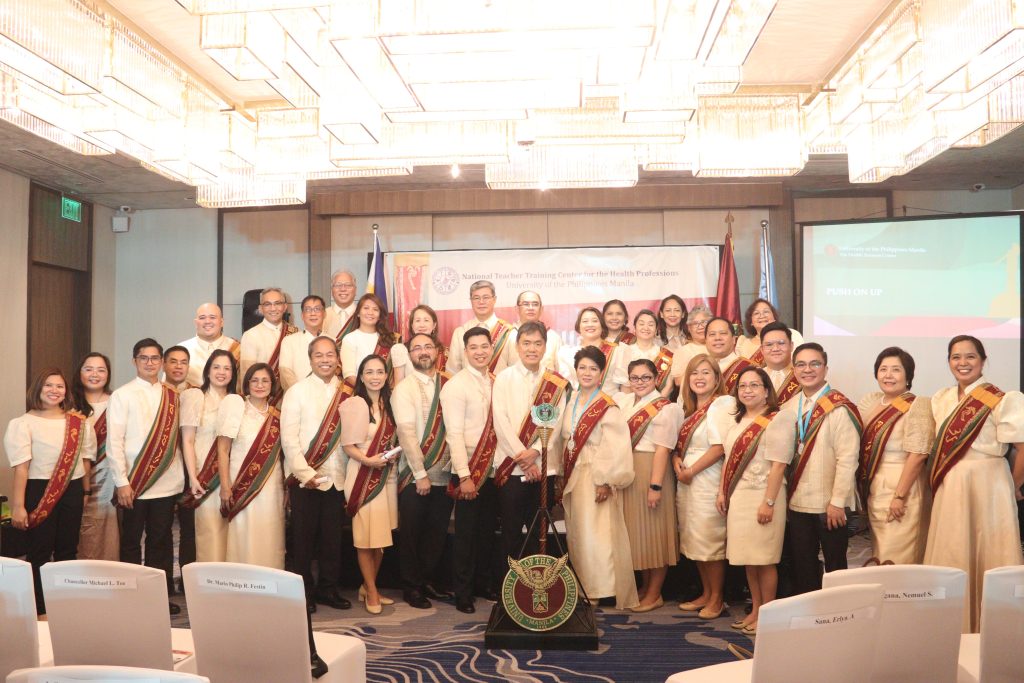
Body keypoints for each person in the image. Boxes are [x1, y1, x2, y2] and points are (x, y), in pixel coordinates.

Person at [924, 335, 1024, 632]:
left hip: (990, 483)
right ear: (949, 362)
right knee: (952, 549)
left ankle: (996, 628)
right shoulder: (940, 398)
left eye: (970, 356)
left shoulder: (1003, 399)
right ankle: (951, 626)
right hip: (951, 484)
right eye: (956, 357)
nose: (963, 363)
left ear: (982, 360)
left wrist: (1012, 486)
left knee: (991, 553)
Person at [5, 368, 96, 614]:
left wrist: (85, 493)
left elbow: (84, 462)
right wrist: (18, 506)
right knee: (40, 550)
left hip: (73, 489)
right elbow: (21, 469)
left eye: (59, 386)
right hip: (38, 490)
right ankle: (40, 607)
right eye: (48, 385)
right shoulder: (23, 423)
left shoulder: (78, 423)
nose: (54, 390)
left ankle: (66, 604)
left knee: (68, 548)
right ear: (38, 389)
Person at [716, 367, 797, 635]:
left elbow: (779, 465)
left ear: (766, 390)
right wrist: (722, 491)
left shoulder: (778, 419)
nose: (747, 390)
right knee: (749, 559)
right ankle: (755, 610)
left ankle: (767, 614)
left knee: (764, 559)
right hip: (740, 496)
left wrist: (769, 503)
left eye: (754, 385)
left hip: (764, 495)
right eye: (742, 386)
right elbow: (729, 459)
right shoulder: (737, 420)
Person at [107, 339, 185, 614]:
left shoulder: (173, 396)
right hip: (134, 483)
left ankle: (158, 598)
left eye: (155, 358)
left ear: (162, 362)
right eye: (144, 358)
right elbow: (114, 442)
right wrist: (122, 482)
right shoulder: (122, 395)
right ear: (134, 361)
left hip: (166, 482)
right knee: (131, 542)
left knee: (160, 541)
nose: (150, 363)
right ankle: (131, 598)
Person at [559, 346, 638, 609]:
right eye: (582, 367)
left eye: (593, 368)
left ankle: (599, 588)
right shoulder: (570, 400)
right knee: (578, 533)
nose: (587, 373)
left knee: (597, 534)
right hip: (574, 474)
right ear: (575, 370)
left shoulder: (607, 405)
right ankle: (583, 585)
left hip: (595, 476)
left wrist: (604, 480)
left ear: (601, 373)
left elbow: (614, 445)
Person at [782, 342, 861, 595]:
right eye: (801, 364)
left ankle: (839, 612)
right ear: (794, 370)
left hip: (830, 504)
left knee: (835, 566)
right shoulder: (788, 407)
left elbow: (848, 459)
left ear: (825, 368)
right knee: (803, 566)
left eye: (815, 364)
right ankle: (809, 611)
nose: (808, 370)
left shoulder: (839, 407)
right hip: (797, 502)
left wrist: (837, 502)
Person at [281, 335, 352, 612]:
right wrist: (304, 473)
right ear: (310, 360)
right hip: (305, 480)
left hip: (338, 478)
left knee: (332, 541)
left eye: (330, 354)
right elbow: (289, 439)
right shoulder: (296, 392)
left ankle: (328, 590)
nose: (325, 360)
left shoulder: (347, 393)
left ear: (338, 359)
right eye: (319, 355)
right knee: (303, 541)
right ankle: (304, 594)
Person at [492, 321, 569, 565]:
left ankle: (537, 583)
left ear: (545, 347)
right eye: (526, 343)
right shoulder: (503, 378)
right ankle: (509, 585)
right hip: (511, 468)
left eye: (537, 343)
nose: (532, 349)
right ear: (517, 346)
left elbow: (555, 424)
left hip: (544, 468)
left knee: (539, 533)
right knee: (511, 531)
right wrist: (523, 457)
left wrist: (535, 452)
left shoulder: (555, 382)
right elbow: (500, 422)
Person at [391, 333, 455, 608]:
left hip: (446, 472)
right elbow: (405, 433)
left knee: (436, 533)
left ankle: (428, 581)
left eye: (428, 346)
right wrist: (420, 473)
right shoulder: (404, 388)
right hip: (415, 475)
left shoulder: (450, 383)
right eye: (417, 348)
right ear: (410, 355)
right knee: (412, 534)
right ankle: (411, 587)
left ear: (438, 350)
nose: (423, 351)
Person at [615, 358, 684, 612]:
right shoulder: (625, 403)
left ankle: (655, 593)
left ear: (656, 379)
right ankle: (645, 587)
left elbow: (663, 450)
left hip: (652, 469)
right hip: (629, 470)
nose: (640, 382)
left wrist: (655, 486)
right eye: (635, 377)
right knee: (638, 534)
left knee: (654, 532)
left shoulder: (667, 408)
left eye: (646, 377)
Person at [441, 326, 500, 614]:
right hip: (469, 470)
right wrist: (464, 476)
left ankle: (482, 584)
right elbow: (453, 434)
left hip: (493, 470)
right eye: (473, 347)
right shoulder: (456, 386)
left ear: (492, 348)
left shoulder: (497, 381)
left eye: (484, 346)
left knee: (487, 532)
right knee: (465, 535)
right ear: (465, 352)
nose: (480, 352)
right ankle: (462, 592)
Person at [857, 347, 933, 565]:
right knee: (880, 553)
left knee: (898, 557)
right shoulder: (871, 402)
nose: (888, 375)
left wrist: (899, 496)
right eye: (883, 369)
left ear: (908, 376)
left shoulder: (917, 406)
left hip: (904, 489)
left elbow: (918, 456)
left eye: (896, 370)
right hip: (875, 487)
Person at [672, 354, 734, 619]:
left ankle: (717, 598)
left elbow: (720, 447)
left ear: (717, 377)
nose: (699, 378)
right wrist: (676, 462)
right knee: (693, 538)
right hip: (686, 480)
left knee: (710, 539)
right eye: (695, 373)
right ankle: (706, 593)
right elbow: (677, 446)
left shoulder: (723, 404)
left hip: (708, 478)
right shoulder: (686, 407)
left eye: (706, 372)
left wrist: (691, 471)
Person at [341, 355, 400, 614]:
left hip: (385, 476)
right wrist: (368, 460)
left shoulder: (390, 404)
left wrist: (390, 455)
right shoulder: (355, 403)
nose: (375, 377)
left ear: (386, 376)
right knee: (366, 538)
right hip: (362, 475)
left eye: (379, 372)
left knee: (380, 537)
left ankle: (368, 586)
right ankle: (372, 591)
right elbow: (347, 445)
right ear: (361, 377)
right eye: (369, 372)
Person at [216, 362, 286, 568]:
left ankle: (270, 579)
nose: (260, 385)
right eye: (254, 380)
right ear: (246, 384)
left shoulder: (277, 416)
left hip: (271, 486)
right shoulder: (237, 409)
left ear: (272, 385)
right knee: (244, 533)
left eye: (265, 381)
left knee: (269, 533)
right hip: (241, 484)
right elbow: (223, 450)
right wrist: (225, 486)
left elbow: (283, 456)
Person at [179, 350, 237, 563]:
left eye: (227, 368)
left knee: (229, 530)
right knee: (207, 530)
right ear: (207, 371)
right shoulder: (195, 396)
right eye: (216, 367)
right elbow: (188, 440)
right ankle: (205, 579)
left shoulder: (237, 400)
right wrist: (193, 477)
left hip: (231, 474)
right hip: (203, 473)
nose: (222, 372)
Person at [71, 352, 118, 561]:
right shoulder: (68, 402)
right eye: (88, 369)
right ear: (79, 372)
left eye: (101, 370)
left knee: (107, 524)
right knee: (79, 523)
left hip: (109, 474)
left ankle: (107, 568)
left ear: (108, 374)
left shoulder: (117, 401)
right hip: (77, 475)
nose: (94, 374)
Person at [446, 280, 516, 374]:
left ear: (494, 299)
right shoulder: (460, 332)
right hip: (467, 384)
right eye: (476, 298)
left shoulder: (509, 333)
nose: (481, 302)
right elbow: (452, 371)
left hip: (501, 384)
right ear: (471, 301)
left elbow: (516, 371)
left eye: (486, 297)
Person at [239, 287, 299, 395]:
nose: (273, 308)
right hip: (264, 397)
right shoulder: (251, 335)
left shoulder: (296, 333)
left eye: (277, 303)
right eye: (267, 304)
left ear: (285, 307)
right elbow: (247, 376)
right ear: (260, 309)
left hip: (292, 395)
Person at [559, 307, 629, 394]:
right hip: (578, 401)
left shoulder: (617, 351)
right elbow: (566, 389)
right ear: (578, 326)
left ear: (602, 325)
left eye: (595, 321)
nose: (590, 324)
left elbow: (625, 388)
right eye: (585, 321)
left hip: (610, 401)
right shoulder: (567, 354)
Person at [179, 303, 240, 389]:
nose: (207, 321)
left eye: (212, 317)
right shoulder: (182, 350)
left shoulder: (238, 349)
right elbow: (170, 386)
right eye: (202, 318)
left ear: (222, 322)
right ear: (196, 323)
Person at [340, 293, 397, 384]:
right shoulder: (350, 339)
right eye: (366, 308)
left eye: (375, 309)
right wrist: (369, 390)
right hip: (360, 390)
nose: (370, 312)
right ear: (358, 313)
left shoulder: (390, 339)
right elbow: (349, 375)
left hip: (387, 391)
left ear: (380, 316)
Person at [735, 299, 804, 365]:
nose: (762, 316)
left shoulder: (792, 335)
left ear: (774, 318)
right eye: (756, 313)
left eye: (766, 312)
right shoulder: (743, 345)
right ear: (751, 322)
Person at [279, 295, 327, 391]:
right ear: (302, 315)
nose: (313, 313)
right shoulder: (289, 341)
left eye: (317, 309)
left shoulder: (334, 341)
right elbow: (285, 373)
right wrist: (301, 393)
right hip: (296, 396)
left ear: (324, 314)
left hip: (327, 396)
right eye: (308, 310)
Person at [391, 304, 448, 378]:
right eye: (418, 320)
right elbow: (399, 384)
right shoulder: (401, 350)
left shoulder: (443, 351)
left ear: (434, 325)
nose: (422, 325)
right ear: (412, 326)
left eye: (426, 320)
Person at [627, 309, 675, 397]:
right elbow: (624, 387)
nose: (646, 328)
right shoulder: (624, 352)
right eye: (641, 324)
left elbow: (669, 387)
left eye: (651, 325)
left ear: (656, 330)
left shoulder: (667, 356)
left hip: (659, 402)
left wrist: (656, 404)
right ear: (634, 328)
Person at [513, 291, 561, 371]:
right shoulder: (508, 336)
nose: (531, 308)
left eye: (535, 304)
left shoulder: (553, 337)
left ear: (541, 309)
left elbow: (560, 371)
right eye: (526, 304)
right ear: (517, 309)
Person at [705, 317, 753, 392]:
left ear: (734, 339)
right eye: (712, 334)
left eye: (723, 333)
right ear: (705, 341)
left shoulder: (748, 367)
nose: (717, 338)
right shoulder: (699, 368)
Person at [759, 322, 801, 404]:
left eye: (781, 343)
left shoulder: (803, 375)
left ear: (791, 346)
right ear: (762, 349)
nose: (775, 349)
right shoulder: (756, 377)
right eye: (769, 345)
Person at [672, 304, 712, 388]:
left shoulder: (718, 347)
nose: (700, 327)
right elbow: (678, 381)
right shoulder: (682, 351)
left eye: (704, 322)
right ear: (689, 328)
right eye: (695, 323)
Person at [323, 269, 359, 345]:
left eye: (348, 285)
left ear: (355, 290)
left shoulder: (363, 314)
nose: (343, 289)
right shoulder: (323, 315)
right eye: (338, 285)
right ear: (331, 290)